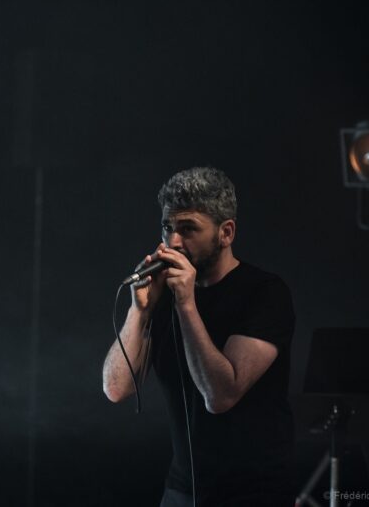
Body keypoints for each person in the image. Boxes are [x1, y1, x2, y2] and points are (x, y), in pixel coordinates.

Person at [103, 166, 296, 506]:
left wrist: (187, 303)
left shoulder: (264, 293)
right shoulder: (163, 294)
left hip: (254, 493)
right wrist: (141, 311)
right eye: (167, 227)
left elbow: (220, 396)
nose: (173, 241)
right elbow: (117, 388)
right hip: (182, 489)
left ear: (226, 233)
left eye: (188, 229)